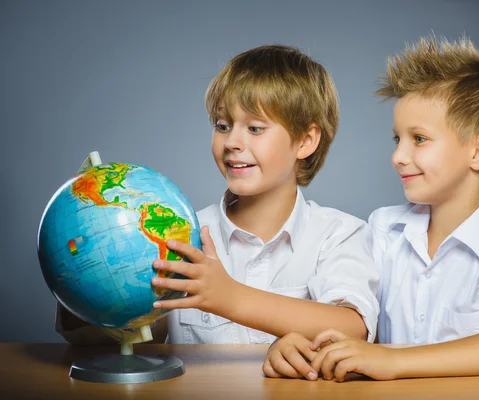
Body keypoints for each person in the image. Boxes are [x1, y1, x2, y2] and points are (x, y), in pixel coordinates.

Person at [56, 46, 379, 365]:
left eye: (255, 128)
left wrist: (229, 297)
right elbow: (111, 341)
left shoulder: (339, 234)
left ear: (306, 141)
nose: (232, 143)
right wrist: (82, 278)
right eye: (223, 126)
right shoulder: (176, 237)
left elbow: (354, 327)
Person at [263, 36, 479, 382]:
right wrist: (289, 345)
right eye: (397, 139)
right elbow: (338, 316)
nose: (398, 157)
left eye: (418, 139)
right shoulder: (383, 230)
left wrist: (394, 362)